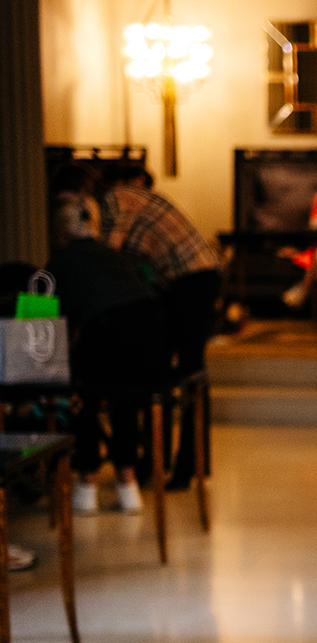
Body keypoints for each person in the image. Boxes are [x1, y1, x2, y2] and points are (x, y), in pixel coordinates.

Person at [97, 161, 223, 490]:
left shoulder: (118, 198)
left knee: (181, 371)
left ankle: (177, 465)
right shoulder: (136, 199)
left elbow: (111, 254)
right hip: (195, 278)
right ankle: (168, 462)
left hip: (190, 281)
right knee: (170, 370)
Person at [46, 191, 163, 515]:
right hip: (149, 326)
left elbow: (48, 317)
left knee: (84, 401)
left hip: (107, 327)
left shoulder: (61, 261)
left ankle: (86, 483)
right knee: (125, 402)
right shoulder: (114, 255)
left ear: (60, 233)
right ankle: (128, 484)